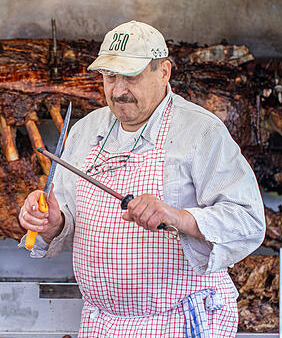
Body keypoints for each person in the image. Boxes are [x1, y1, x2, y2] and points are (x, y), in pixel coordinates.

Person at [18, 20, 266, 338]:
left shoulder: (200, 131)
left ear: (164, 72)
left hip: (180, 322)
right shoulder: (84, 132)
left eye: (131, 76)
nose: (118, 90)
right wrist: (52, 222)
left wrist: (179, 217)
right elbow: (66, 221)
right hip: (103, 324)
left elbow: (248, 221)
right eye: (109, 77)